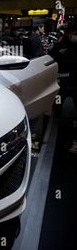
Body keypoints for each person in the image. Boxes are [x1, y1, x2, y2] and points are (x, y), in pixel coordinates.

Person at [50, 22, 77, 153]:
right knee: (57, 109)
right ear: (68, 33)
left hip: (74, 82)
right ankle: (54, 138)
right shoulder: (60, 46)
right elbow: (51, 59)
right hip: (62, 82)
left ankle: (73, 140)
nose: (75, 36)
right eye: (74, 34)